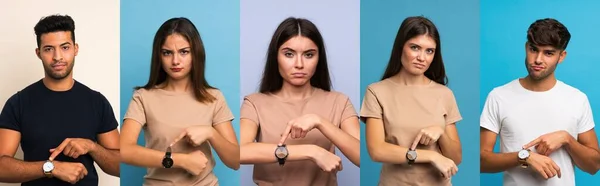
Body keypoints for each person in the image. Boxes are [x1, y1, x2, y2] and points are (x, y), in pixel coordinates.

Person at [0, 14, 120, 185]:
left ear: (75, 49)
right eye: (49, 49)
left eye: (65, 47)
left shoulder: (97, 102)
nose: (57, 57)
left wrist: (92, 147)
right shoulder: (18, 103)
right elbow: (1, 167)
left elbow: (121, 166)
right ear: (38, 53)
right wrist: (51, 168)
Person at [239, 17, 360, 186]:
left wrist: (319, 122)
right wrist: (310, 151)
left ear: (319, 58)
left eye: (309, 55)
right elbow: (238, 152)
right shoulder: (254, 103)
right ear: (276, 56)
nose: (299, 64)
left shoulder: (339, 102)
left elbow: (363, 157)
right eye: (289, 54)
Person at [120, 17, 239, 186]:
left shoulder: (214, 97)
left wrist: (211, 133)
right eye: (167, 53)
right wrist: (179, 160)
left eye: (184, 52)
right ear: (159, 56)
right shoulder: (143, 97)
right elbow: (124, 150)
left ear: (195, 53)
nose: (175, 61)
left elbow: (235, 161)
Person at [480, 18, 600, 186]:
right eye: (533, 49)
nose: (537, 59)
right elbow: (481, 161)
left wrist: (567, 139)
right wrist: (525, 157)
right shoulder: (499, 96)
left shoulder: (577, 99)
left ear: (561, 56)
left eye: (548, 53)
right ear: (526, 47)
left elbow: (594, 165)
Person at [361, 16, 463, 186]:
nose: (422, 58)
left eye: (429, 51)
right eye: (415, 48)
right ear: (401, 47)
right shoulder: (376, 91)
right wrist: (431, 155)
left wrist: (441, 132)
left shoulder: (444, 94)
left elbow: (455, 158)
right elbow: (376, 150)